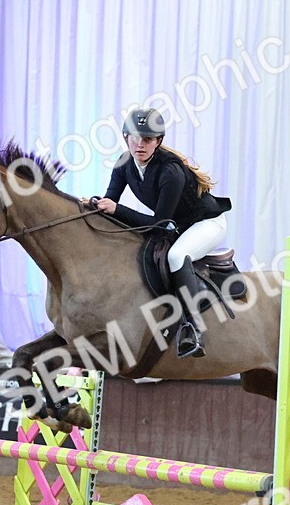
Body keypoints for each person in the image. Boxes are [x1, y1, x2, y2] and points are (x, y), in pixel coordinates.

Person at [90, 107, 231, 358]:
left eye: (147, 139)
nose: (140, 145)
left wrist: (116, 209)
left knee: (176, 256)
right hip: (178, 225)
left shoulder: (170, 171)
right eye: (134, 138)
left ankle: (194, 329)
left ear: (158, 141)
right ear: (125, 137)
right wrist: (93, 205)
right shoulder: (124, 163)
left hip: (207, 223)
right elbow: (110, 201)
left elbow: (159, 224)